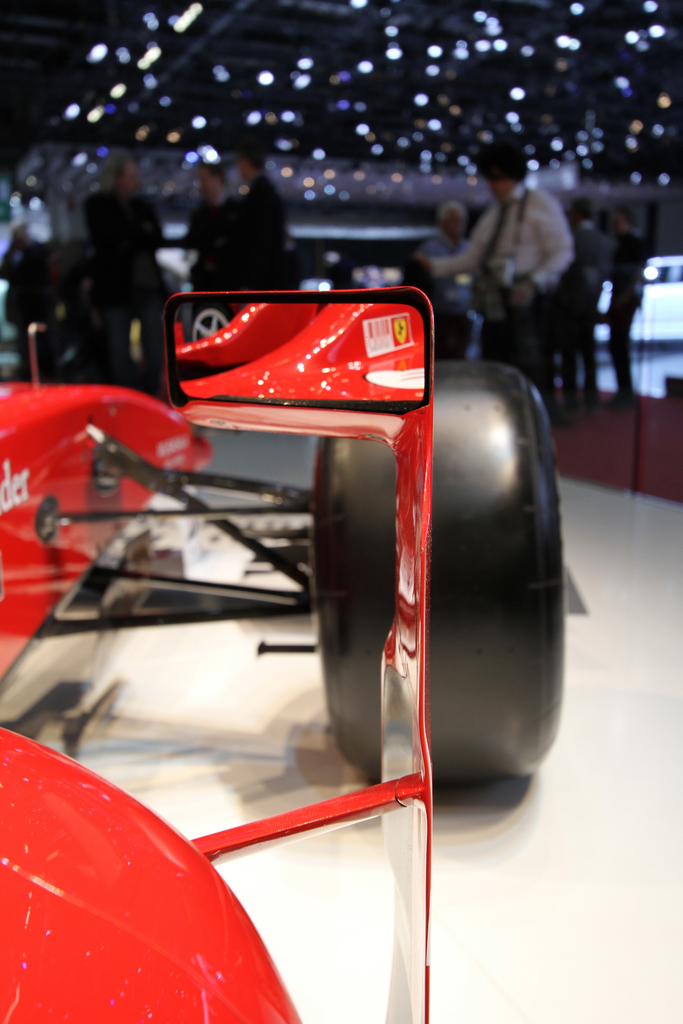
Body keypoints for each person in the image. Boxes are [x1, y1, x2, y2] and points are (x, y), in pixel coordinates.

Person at [416, 143, 574, 397]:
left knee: (531, 368)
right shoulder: (494, 214)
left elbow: (563, 251)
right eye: (490, 179)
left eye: (498, 178)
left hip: (528, 303)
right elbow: (472, 258)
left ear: (513, 176)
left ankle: (537, 411)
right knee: (497, 364)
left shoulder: (540, 203)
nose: (493, 185)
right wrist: (432, 266)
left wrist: (534, 282)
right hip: (496, 301)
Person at [85, 153, 166, 394]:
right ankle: (128, 397)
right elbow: (108, 237)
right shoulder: (97, 204)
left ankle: (150, 395)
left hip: (148, 286)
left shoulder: (141, 205)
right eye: (131, 176)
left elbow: (155, 237)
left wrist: (129, 237)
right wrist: (138, 233)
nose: (136, 181)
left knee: (155, 347)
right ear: (117, 177)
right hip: (115, 290)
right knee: (119, 350)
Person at [552, 199, 615, 411]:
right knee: (589, 355)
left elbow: (564, 273)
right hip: (592, 304)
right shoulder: (604, 241)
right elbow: (604, 275)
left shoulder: (571, 239)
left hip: (569, 305)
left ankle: (571, 402)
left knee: (570, 357)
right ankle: (591, 399)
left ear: (576, 214)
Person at [416, 202, 472, 359]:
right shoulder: (428, 249)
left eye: (461, 220)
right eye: (454, 220)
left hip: (463, 313)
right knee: (438, 355)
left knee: (461, 355)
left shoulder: (470, 249)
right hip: (438, 314)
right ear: (442, 223)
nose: (459, 224)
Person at [0, 222, 53, 380]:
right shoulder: (17, 254)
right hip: (23, 308)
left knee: (39, 341)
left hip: (37, 306)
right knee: (26, 342)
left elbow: (21, 276)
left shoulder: (36, 252)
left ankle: (43, 372)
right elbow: (5, 274)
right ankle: (30, 372)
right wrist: (11, 251)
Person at [606, 206, 646, 408]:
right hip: (618, 298)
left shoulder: (635, 243)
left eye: (619, 222)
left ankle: (626, 393)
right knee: (616, 346)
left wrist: (626, 296)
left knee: (620, 345)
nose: (615, 226)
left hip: (626, 300)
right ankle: (623, 392)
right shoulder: (618, 244)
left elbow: (638, 272)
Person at [233, 137, 285, 290]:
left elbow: (259, 240)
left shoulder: (260, 192)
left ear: (246, 160)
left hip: (260, 279)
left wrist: (250, 281)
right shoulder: (265, 189)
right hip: (264, 276)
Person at [184, 162, 239, 291]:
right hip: (203, 281)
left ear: (218, 179)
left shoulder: (236, 211)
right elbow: (191, 241)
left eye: (205, 179)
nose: (202, 185)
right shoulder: (199, 214)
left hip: (228, 280)